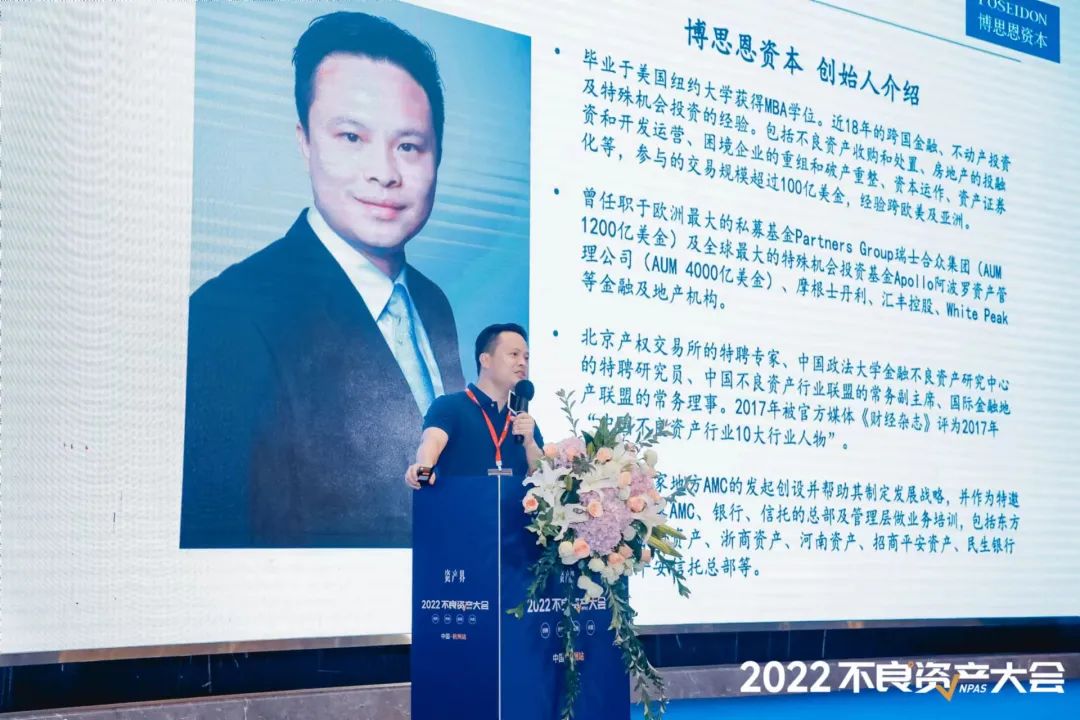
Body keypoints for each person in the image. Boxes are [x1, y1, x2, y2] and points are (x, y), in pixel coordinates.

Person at [180, 11, 465, 548]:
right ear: (305, 141)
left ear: (438, 156)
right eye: (352, 136)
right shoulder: (227, 317)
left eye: (409, 146)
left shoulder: (432, 304)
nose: (384, 172)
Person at [406, 324, 542, 489]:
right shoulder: (450, 406)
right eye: (514, 354)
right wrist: (423, 470)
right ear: (485, 360)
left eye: (526, 358)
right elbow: (431, 442)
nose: (522, 363)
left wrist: (530, 444)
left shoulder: (523, 421)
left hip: (513, 507)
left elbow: (543, 481)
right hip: (459, 505)